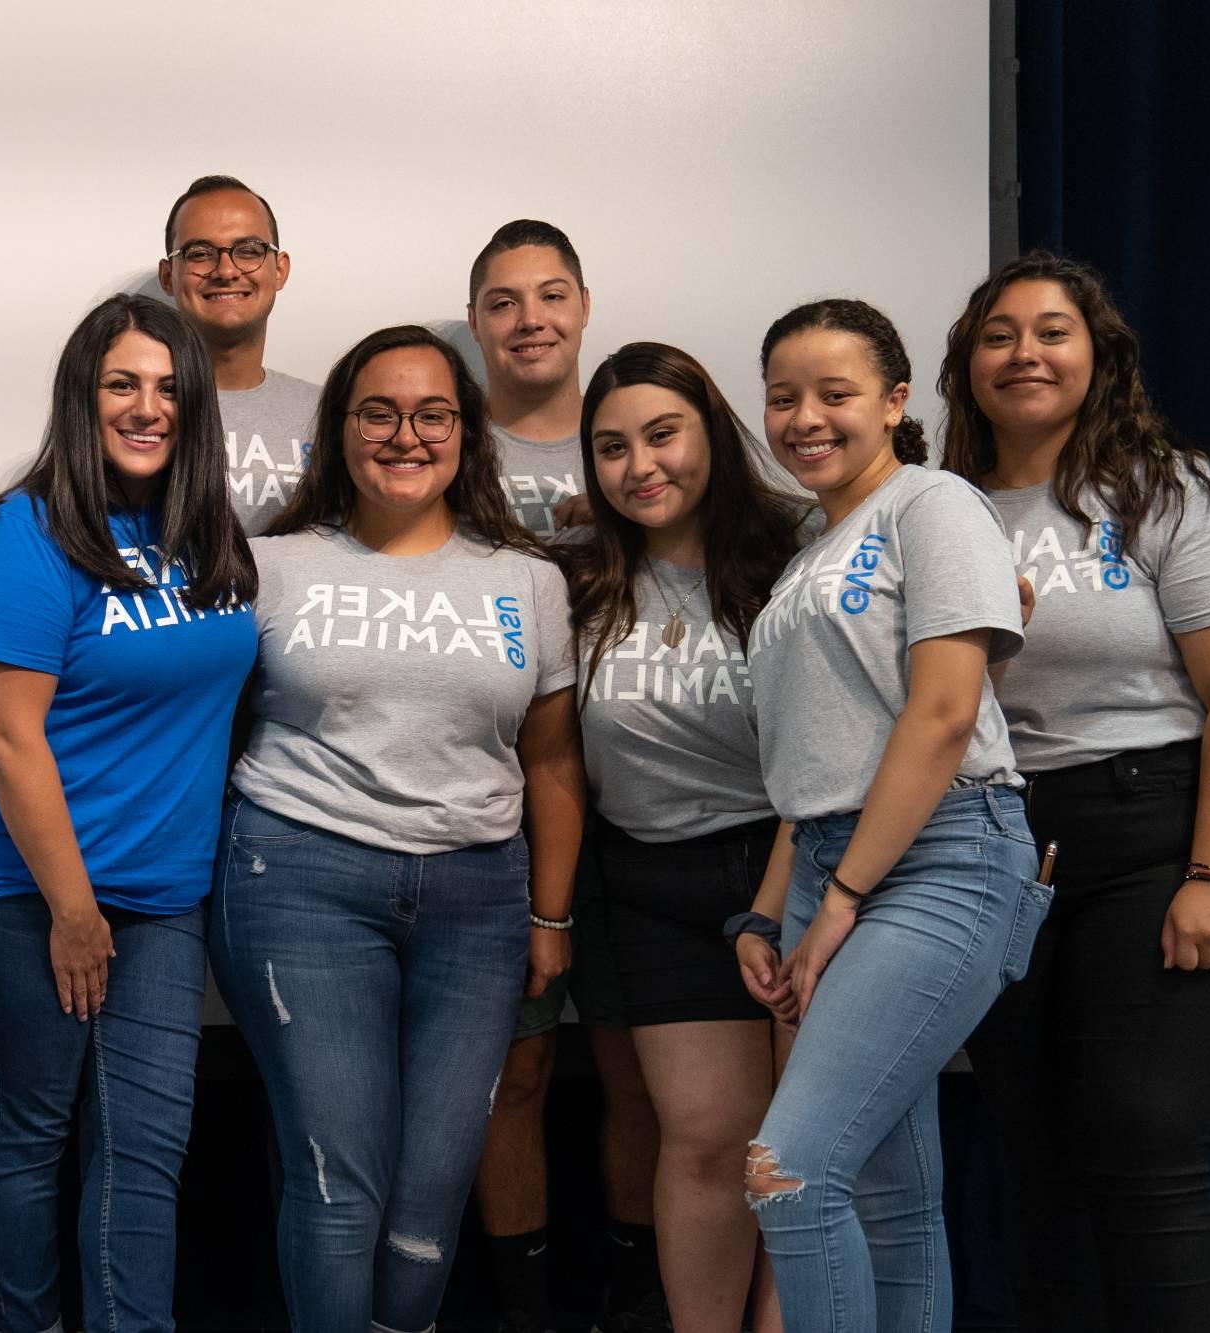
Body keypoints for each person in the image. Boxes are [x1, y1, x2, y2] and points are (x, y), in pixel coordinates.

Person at [212, 324, 585, 1333]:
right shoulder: (267, 564)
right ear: (339, 430)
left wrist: (550, 918)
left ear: (465, 434)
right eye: (377, 411)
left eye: (431, 414)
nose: (404, 434)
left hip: (478, 903)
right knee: (340, 1181)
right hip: (299, 879)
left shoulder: (527, 580)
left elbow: (550, 761)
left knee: (429, 1195)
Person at [940, 252, 1210, 1333]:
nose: (1024, 353)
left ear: (1098, 355)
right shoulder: (936, 513)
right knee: (1033, 1160)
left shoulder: (1171, 490)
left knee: (1142, 1145)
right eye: (998, 335)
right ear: (966, 365)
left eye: (1050, 331)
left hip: (1156, 838)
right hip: (997, 848)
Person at [0, 293, 257, 1333]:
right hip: (17, 891)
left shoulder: (205, 536)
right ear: (83, 395)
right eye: (122, 383)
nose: (146, 407)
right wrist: (72, 909)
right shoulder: (23, 535)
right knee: (29, 1129)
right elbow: (7, 735)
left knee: (144, 1150)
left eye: (167, 388)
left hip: (157, 898)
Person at [738, 298, 1050, 1332]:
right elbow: (818, 762)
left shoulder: (934, 503)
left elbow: (943, 715)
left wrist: (844, 899)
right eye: (783, 397)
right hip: (835, 864)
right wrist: (770, 909)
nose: (804, 417)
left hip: (944, 859)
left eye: (835, 393)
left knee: (787, 1168)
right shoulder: (802, 558)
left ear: (894, 400)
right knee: (888, 1197)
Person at [563, 341, 802, 1333]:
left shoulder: (797, 559)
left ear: (711, 430)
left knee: (795, 1147)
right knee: (702, 1141)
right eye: (611, 447)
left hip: (788, 868)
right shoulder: (574, 579)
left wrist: (774, 906)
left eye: (661, 434)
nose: (638, 466)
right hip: (649, 886)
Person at [466, 220, 665, 1333]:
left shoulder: (639, 442)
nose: (528, 318)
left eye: (548, 295)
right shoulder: (445, 450)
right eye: (501, 301)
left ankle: (635, 1298)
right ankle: (525, 1305)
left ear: (584, 307)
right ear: (477, 320)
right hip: (502, 814)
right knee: (516, 1082)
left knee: (642, 1083)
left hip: (642, 814)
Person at [159, 173, 320, 534]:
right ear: (169, 276)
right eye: (200, 254)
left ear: (279, 270)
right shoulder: (130, 411)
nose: (227, 271)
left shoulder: (330, 411)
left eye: (249, 250)